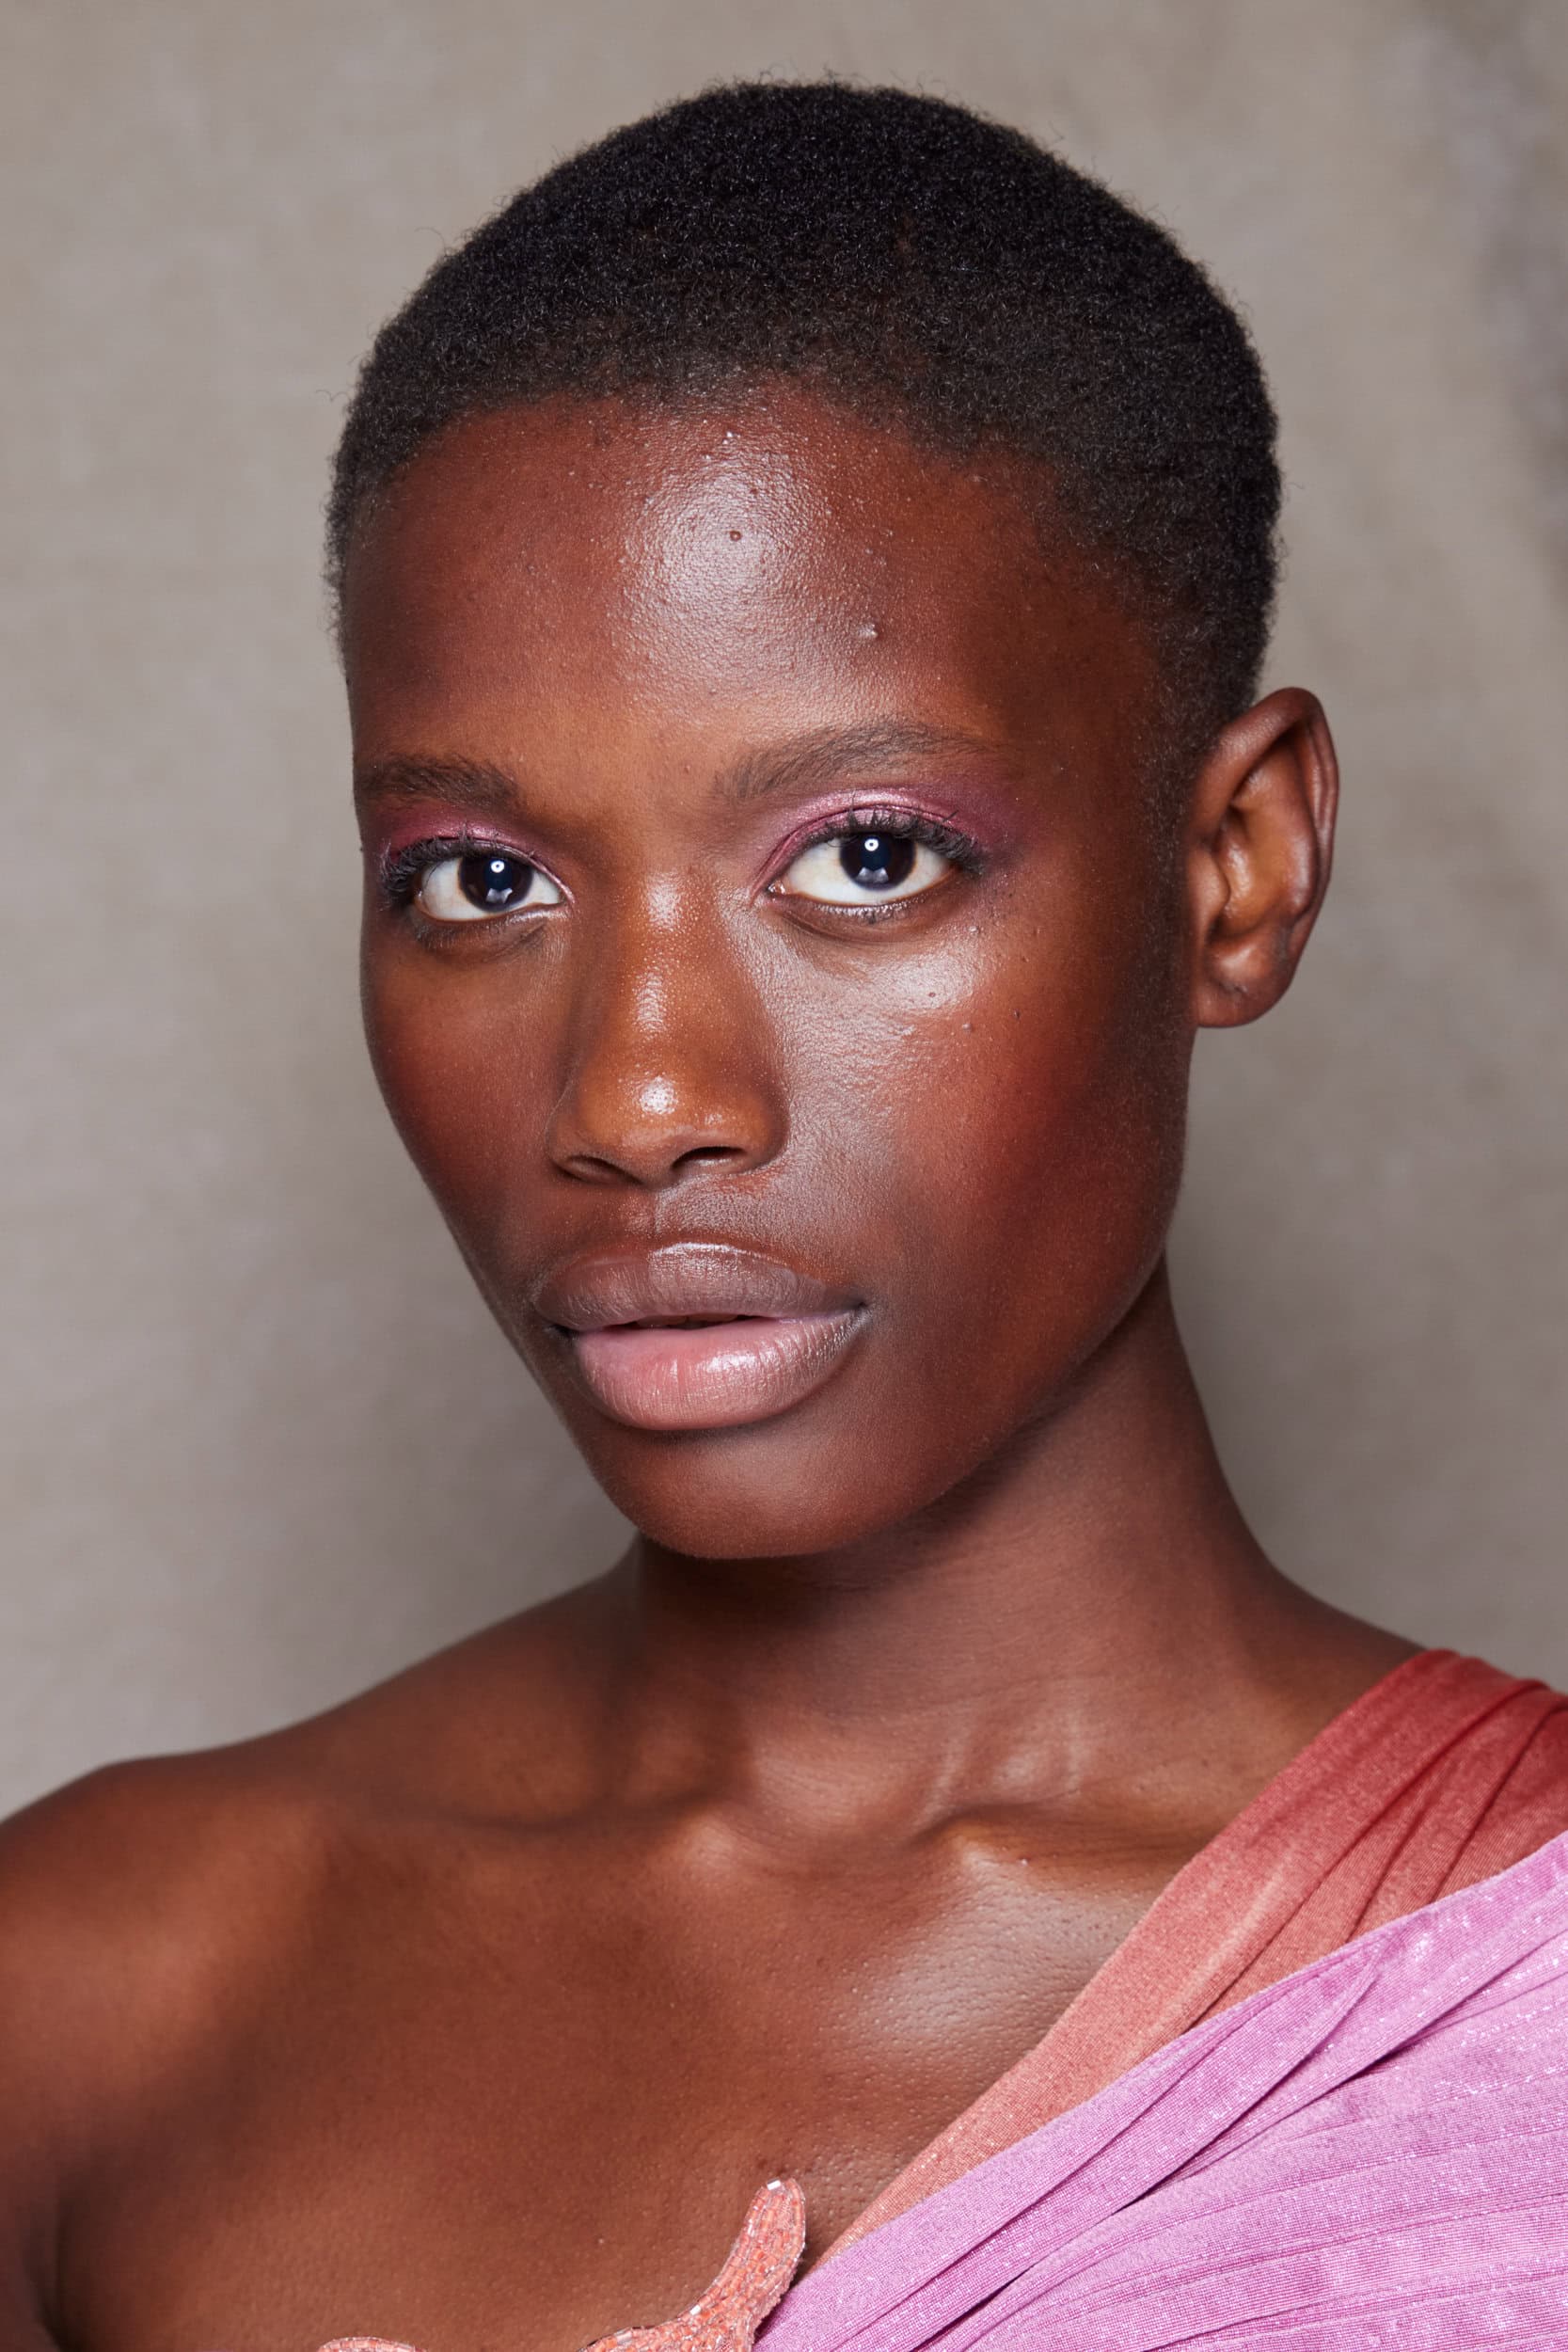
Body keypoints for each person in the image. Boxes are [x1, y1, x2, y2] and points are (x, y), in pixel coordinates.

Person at [1, 80, 1564, 2352]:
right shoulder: (95, 1997)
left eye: (866, 855)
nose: (640, 1098)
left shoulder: (1513, 1988)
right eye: (481, 879)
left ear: (1238, 870)